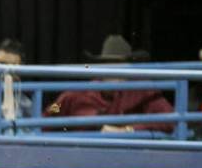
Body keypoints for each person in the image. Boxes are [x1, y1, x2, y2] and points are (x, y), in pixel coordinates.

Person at [43, 34, 174, 133]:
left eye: (120, 65)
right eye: (109, 64)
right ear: (101, 67)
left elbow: (170, 119)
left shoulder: (142, 90)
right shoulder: (73, 95)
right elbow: (49, 114)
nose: (114, 70)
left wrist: (129, 130)